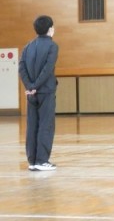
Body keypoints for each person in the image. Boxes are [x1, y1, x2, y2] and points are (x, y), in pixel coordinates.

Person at [19, 15, 59, 171]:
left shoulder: (28, 46)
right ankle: (42, 161)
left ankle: (33, 161)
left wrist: (29, 86)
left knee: (32, 125)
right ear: (50, 29)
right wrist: (35, 86)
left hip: (31, 93)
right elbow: (47, 69)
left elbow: (21, 67)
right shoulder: (52, 46)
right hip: (45, 91)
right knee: (45, 125)